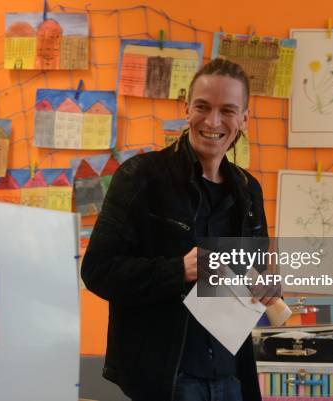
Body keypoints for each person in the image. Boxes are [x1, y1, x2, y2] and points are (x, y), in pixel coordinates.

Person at [81, 58, 278, 401]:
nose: (213, 121)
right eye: (202, 106)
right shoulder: (141, 176)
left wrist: (267, 282)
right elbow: (97, 271)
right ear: (186, 108)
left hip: (232, 377)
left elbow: (256, 273)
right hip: (165, 381)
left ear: (244, 118)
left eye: (227, 110)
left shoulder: (249, 190)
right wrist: (178, 270)